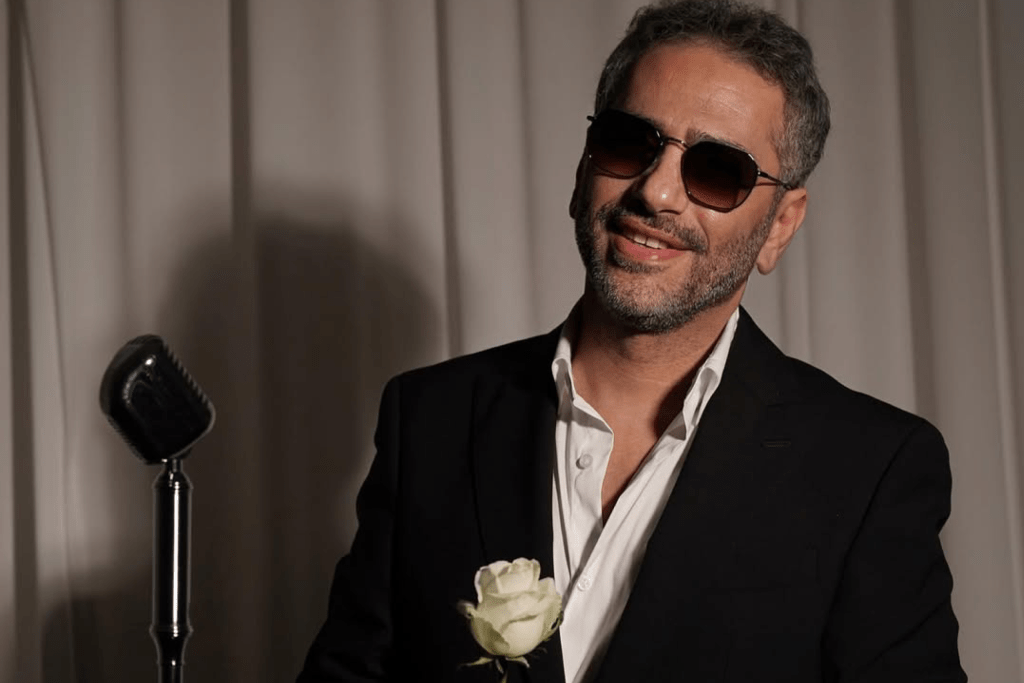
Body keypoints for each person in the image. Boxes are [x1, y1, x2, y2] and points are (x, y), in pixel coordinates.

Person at [297, 1, 967, 681]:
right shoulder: (430, 420)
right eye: (629, 141)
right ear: (583, 168)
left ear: (780, 226)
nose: (657, 192)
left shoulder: (867, 470)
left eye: (717, 170)